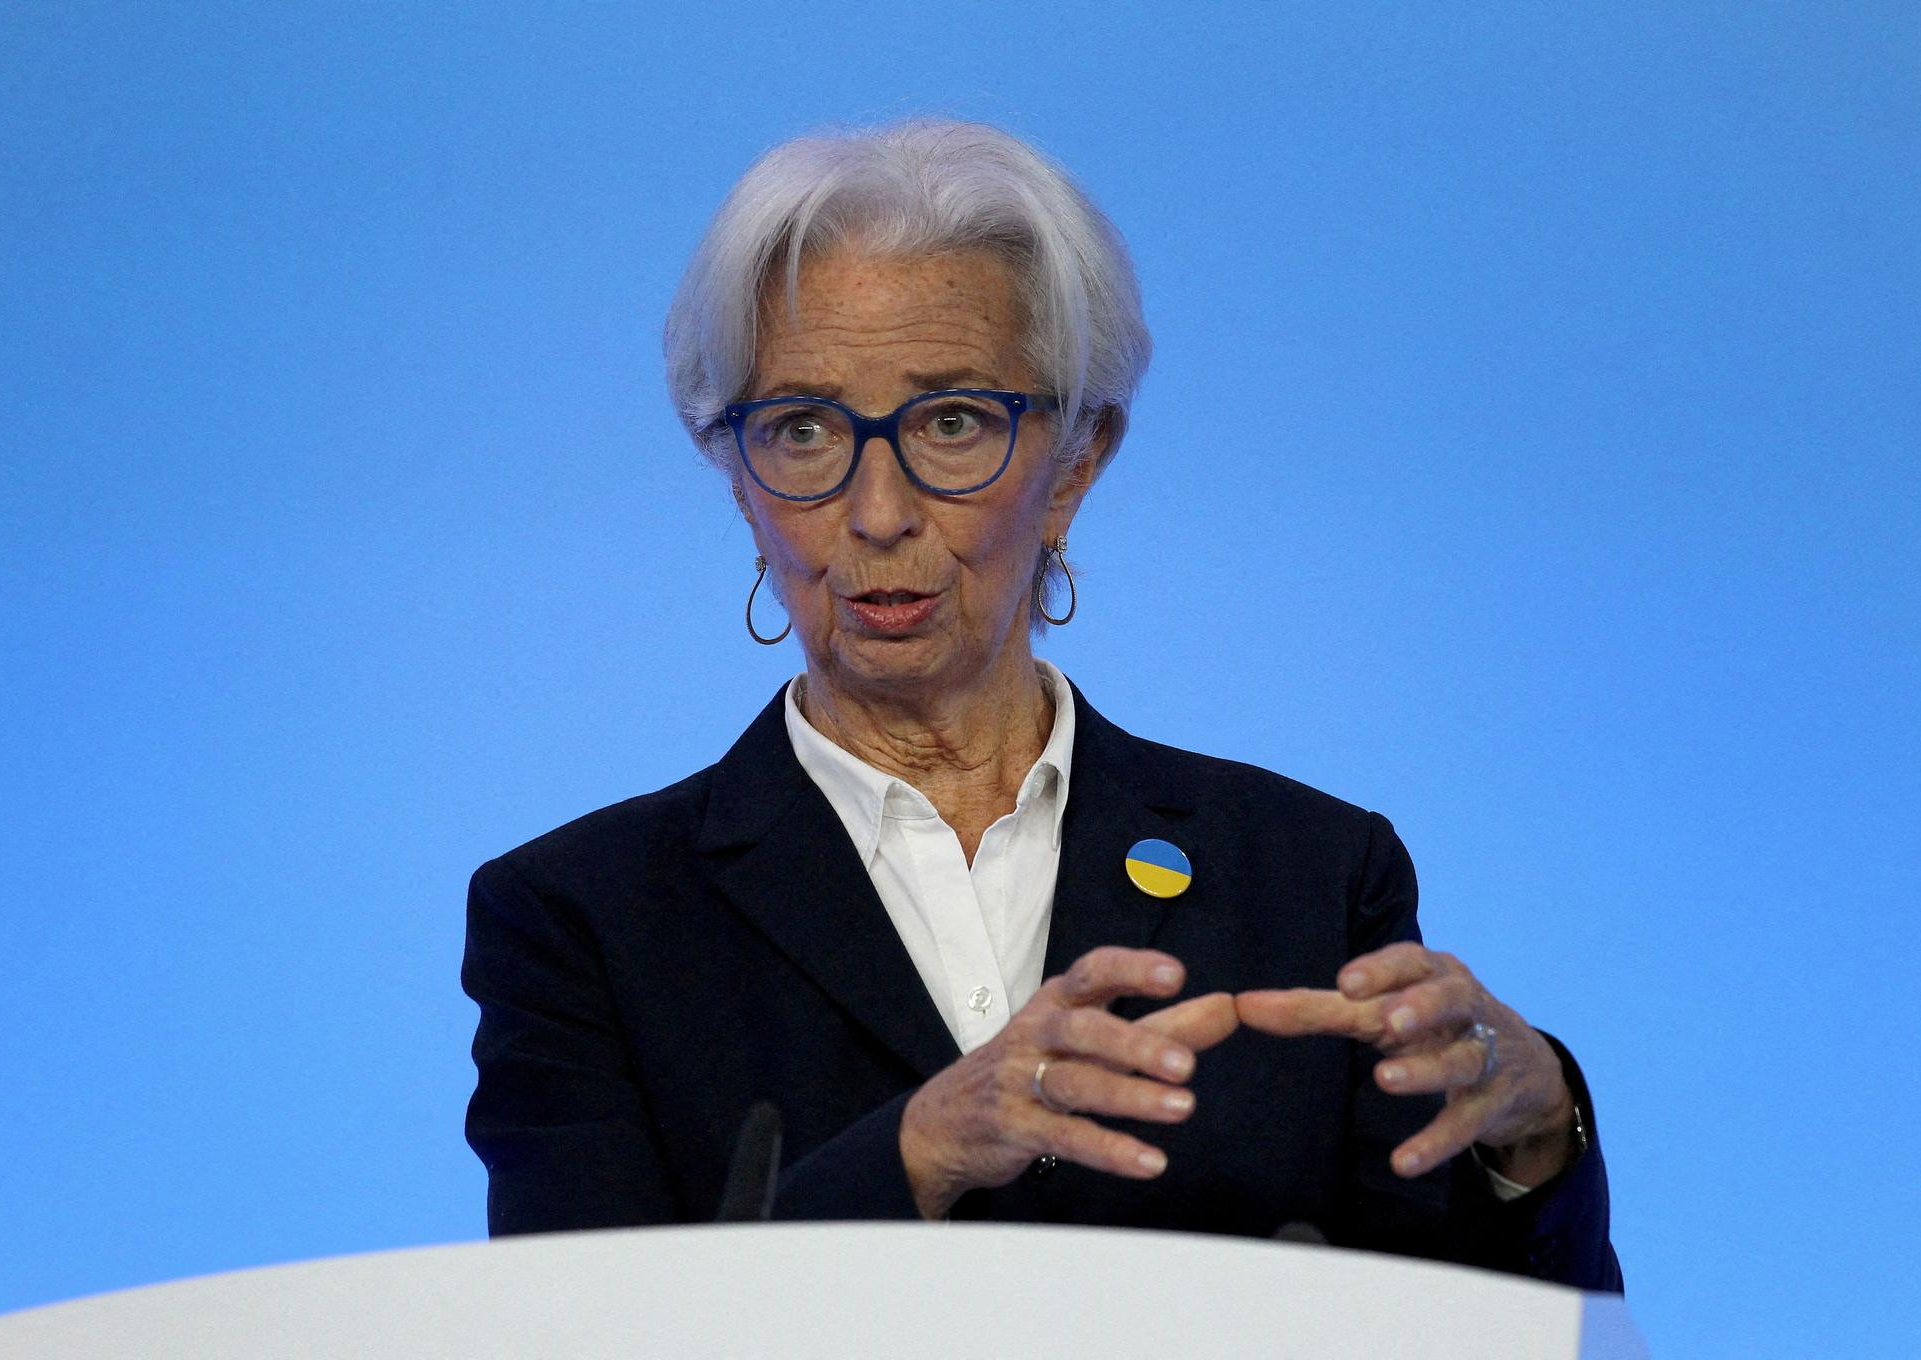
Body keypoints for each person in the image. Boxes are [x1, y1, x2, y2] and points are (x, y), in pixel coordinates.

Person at [461, 119, 1621, 1290]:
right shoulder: (579, 922)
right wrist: (919, 1151)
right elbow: (576, 1326)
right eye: (802, 429)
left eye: (950, 421)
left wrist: (1532, 1140)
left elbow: (1457, 1320)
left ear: (1075, 459)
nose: (875, 513)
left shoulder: (1310, 878)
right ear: (736, 477)